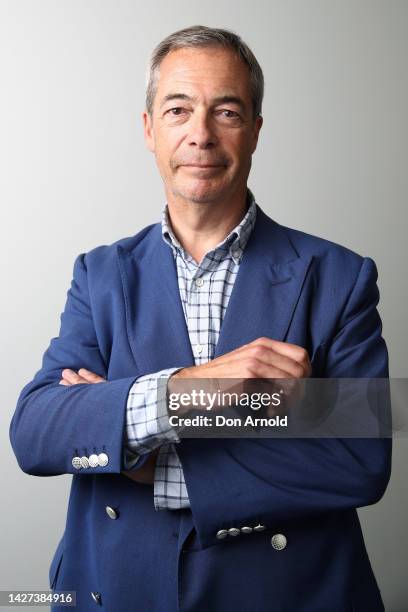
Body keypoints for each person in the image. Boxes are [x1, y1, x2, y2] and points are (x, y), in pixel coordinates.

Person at [9, 25, 391, 612]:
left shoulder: (339, 277)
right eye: (178, 109)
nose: (201, 134)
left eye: (227, 111)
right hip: (115, 588)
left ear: (257, 129)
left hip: (287, 596)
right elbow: (37, 432)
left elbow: (359, 460)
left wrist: (145, 451)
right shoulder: (100, 273)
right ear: (149, 129)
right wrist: (189, 394)